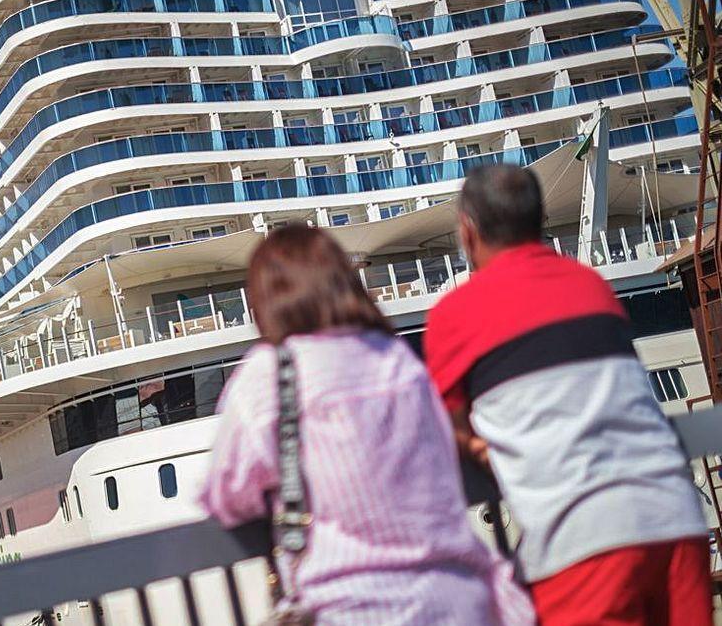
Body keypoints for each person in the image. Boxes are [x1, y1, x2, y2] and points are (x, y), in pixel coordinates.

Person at [199, 224, 534, 625]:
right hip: (460, 600)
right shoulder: (396, 356)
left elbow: (226, 493)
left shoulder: (270, 373)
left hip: (352, 608)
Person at [424, 164, 711, 625]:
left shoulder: (455, 316)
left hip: (584, 539)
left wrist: (479, 442)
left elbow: (445, 430)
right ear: (537, 221)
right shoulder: (591, 286)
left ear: (468, 230)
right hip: (675, 512)